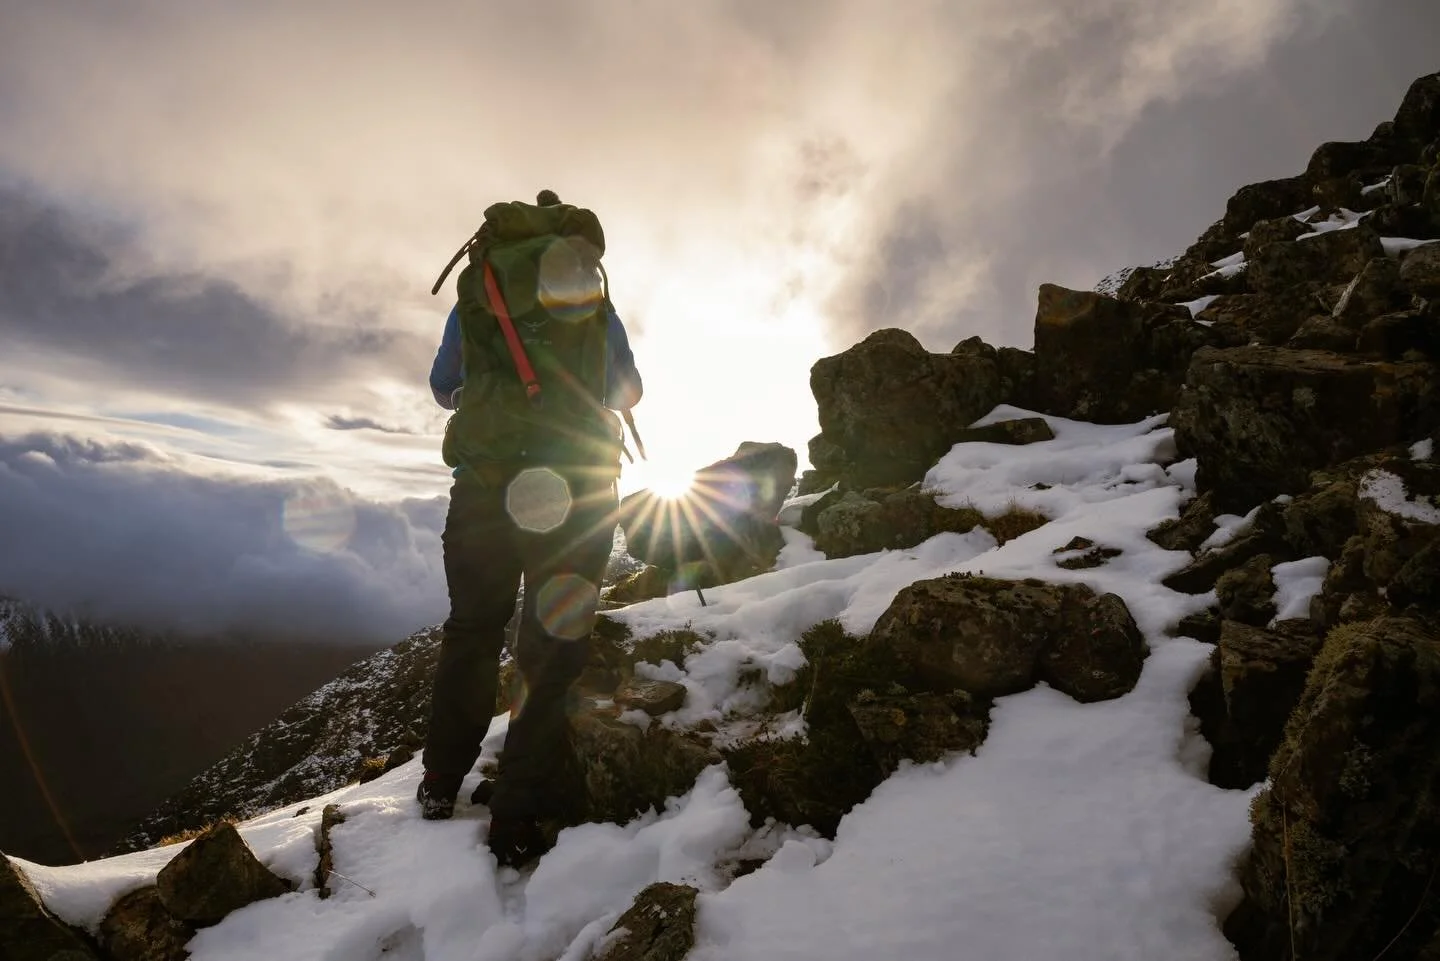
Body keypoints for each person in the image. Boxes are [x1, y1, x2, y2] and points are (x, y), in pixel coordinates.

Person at [418, 189, 643, 868]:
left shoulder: (479, 294)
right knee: (551, 647)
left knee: (473, 630)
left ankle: (439, 782)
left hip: (485, 492)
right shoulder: (592, 303)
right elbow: (626, 388)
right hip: (575, 491)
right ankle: (515, 810)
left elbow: (441, 382)